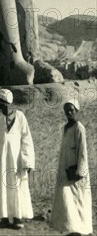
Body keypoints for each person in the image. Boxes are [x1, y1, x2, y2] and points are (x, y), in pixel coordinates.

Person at [0, 88, 35, 230]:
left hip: (17, 160)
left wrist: (28, 161)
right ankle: (5, 218)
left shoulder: (20, 117)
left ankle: (18, 218)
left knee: (18, 186)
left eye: (0, 103)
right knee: (3, 187)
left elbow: (27, 139)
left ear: (8, 103)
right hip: (2, 160)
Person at [50, 99, 93, 236]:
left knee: (78, 201)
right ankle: (71, 228)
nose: (68, 112)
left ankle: (80, 229)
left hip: (76, 172)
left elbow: (83, 152)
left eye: (71, 109)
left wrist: (80, 172)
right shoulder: (65, 128)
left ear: (77, 111)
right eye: (66, 110)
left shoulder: (79, 127)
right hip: (65, 170)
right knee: (66, 200)